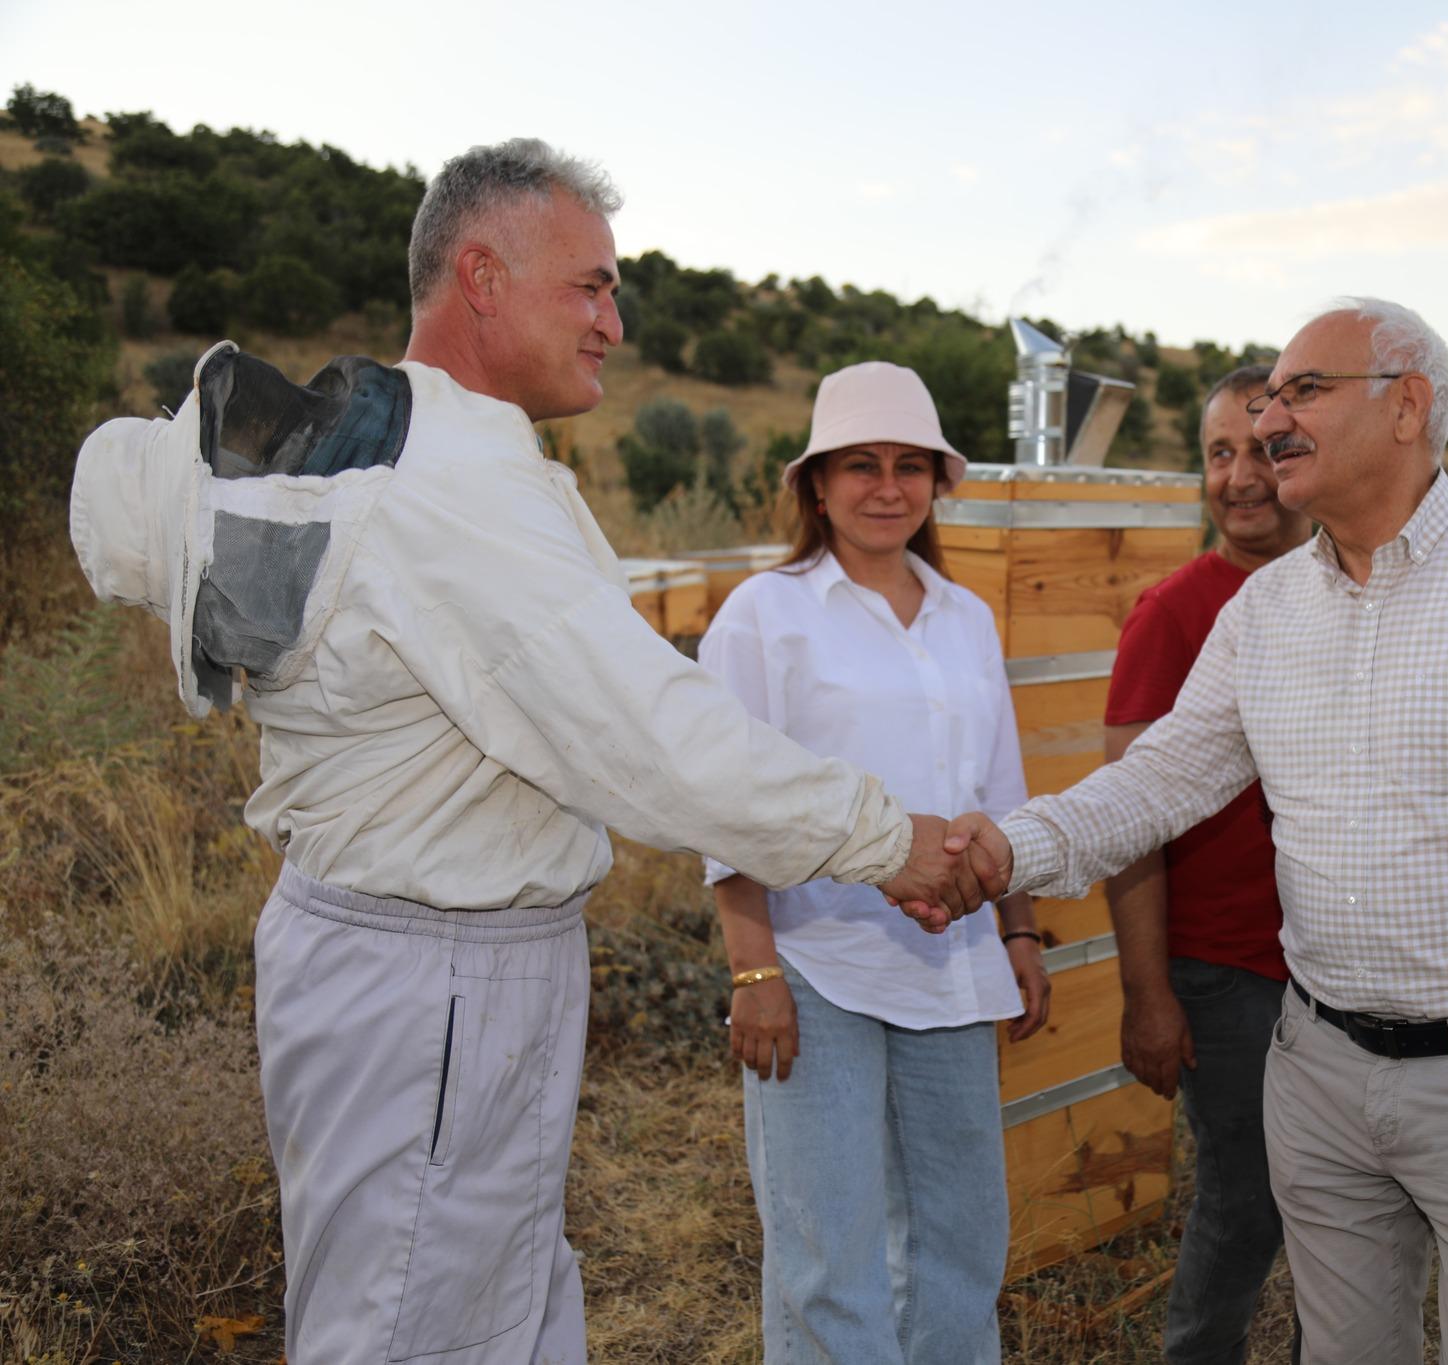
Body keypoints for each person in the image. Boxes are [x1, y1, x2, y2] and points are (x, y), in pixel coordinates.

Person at [68, 141, 995, 1365]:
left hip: (446, 970)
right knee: (416, 1326)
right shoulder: (456, 487)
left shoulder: (466, 462)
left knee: (496, 1311)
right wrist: (892, 843)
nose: (614, 320)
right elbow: (649, 737)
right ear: (481, 276)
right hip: (431, 980)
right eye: (590, 286)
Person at [937, 298, 1448, 1365]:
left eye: (1301, 391)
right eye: (1265, 398)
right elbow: (1156, 782)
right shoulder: (1263, 613)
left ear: (1405, 407)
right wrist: (1007, 852)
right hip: (1315, 1070)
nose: (1268, 420)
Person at [699, 360, 1050, 1365]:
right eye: (860, 465)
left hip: (953, 969)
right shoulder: (765, 615)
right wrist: (754, 969)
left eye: (908, 465)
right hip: (816, 968)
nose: (886, 487)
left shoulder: (966, 619)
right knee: (827, 1258)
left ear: (937, 481)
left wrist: (1018, 934)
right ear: (817, 484)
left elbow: (1000, 794)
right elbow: (726, 803)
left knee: (959, 1247)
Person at [1104, 363, 1310, 1364]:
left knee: (1337, 1205)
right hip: (1224, 970)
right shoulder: (1172, 614)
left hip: (1335, 966)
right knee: (1246, 1193)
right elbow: (1127, 818)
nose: (1239, 477)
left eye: (1262, 450)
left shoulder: (1344, 596)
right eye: (1217, 454)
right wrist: (1147, 992)